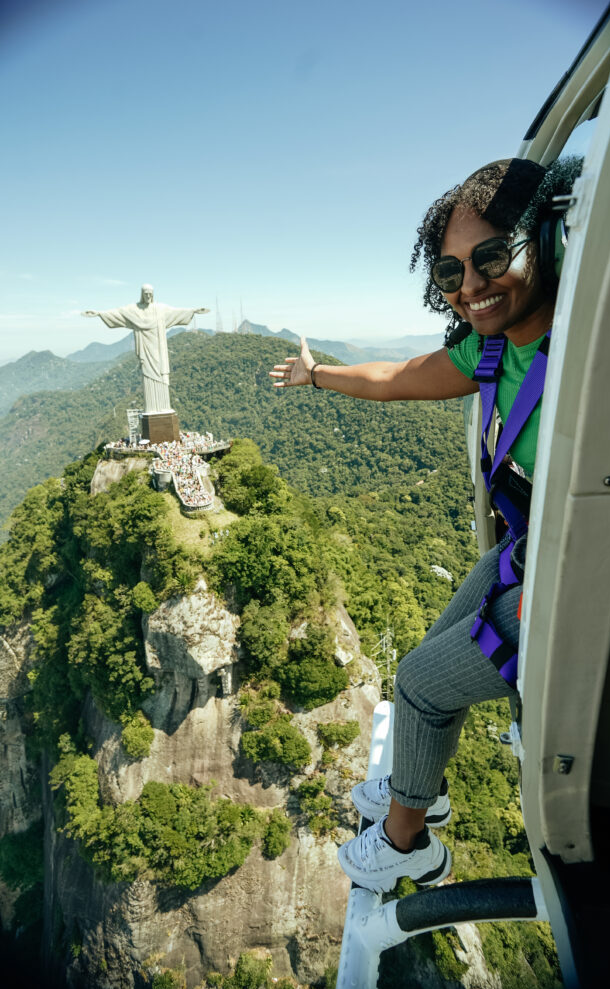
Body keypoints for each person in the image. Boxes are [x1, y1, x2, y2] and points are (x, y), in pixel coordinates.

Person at [270, 156, 583, 893]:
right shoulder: (493, 348)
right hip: (528, 554)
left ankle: (409, 843)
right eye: (450, 273)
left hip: (574, 585)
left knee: (417, 682)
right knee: (438, 643)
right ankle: (423, 786)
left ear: (547, 238)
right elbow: (400, 377)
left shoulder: (592, 348)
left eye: (492, 257)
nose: (471, 286)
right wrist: (318, 376)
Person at [82, 285, 209, 414]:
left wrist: (193, 311)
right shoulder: (135, 310)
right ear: (142, 294)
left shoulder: (160, 309)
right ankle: (152, 407)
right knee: (148, 375)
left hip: (159, 349)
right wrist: (99, 313)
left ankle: (164, 407)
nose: (148, 296)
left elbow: (177, 312)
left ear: (153, 294)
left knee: (160, 374)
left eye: (150, 294)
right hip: (145, 349)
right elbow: (119, 313)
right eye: (146, 294)